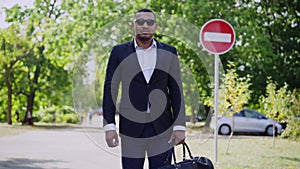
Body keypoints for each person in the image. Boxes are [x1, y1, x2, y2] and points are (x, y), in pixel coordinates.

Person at [102, 8, 186, 169]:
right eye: (140, 22)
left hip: (163, 129)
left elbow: (176, 90)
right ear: (133, 25)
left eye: (150, 22)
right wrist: (109, 126)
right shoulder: (119, 52)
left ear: (155, 26)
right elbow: (110, 89)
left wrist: (179, 126)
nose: (145, 25)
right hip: (131, 128)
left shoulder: (169, 52)